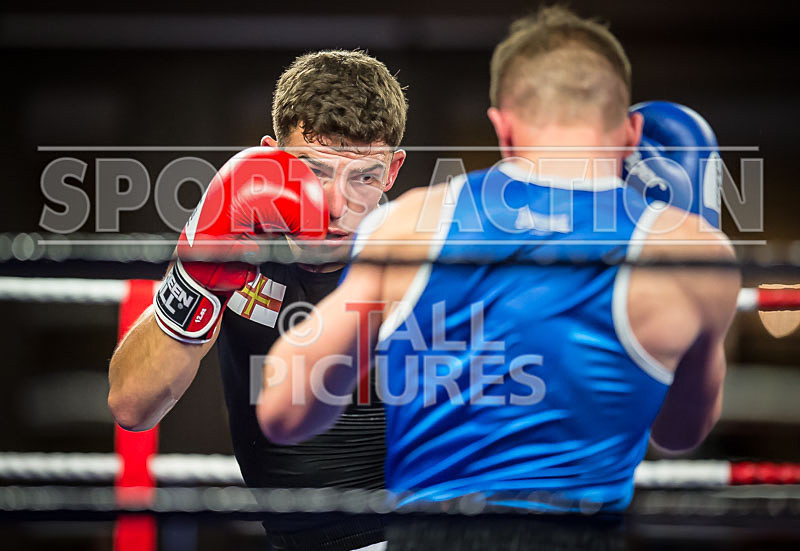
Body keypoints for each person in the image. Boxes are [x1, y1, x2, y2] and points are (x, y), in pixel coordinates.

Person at [257, 5, 740, 523]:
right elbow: (678, 435)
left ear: (503, 128)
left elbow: (284, 412)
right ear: (631, 132)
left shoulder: (410, 224)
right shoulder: (694, 252)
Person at [108, 50, 408, 550]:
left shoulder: (416, 259)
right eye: (313, 171)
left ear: (393, 170)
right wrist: (195, 276)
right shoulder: (239, 237)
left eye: (363, 176)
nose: (336, 204)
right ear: (269, 158)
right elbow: (131, 405)